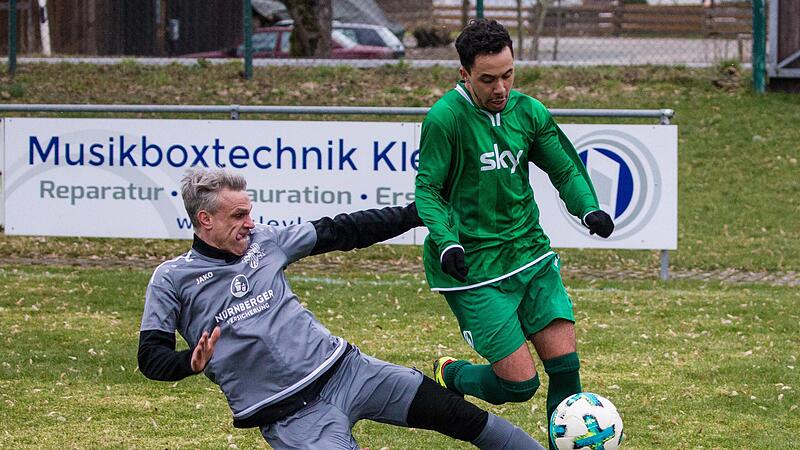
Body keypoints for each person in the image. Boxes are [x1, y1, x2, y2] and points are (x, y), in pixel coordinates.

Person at [138, 168, 546, 450]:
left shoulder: (266, 241)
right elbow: (150, 358)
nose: (250, 221)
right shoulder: (172, 279)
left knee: (461, 417)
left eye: (250, 212)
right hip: (291, 417)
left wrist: (416, 213)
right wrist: (188, 363)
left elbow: (343, 229)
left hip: (350, 372)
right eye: (238, 214)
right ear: (205, 219)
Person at [414, 19, 615, 448]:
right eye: (488, 79)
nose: (501, 87)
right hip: (474, 268)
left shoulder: (529, 111)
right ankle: (452, 373)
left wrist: (589, 208)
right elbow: (427, 190)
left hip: (530, 253)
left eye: (508, 74)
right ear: (464, 74)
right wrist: (446, 240)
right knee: (519, 386)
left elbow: (563, 168)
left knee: (565, 365)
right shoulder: (444, 119)